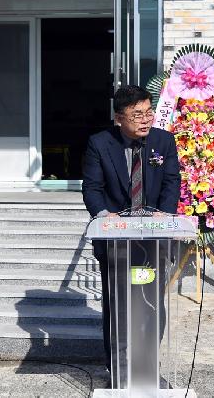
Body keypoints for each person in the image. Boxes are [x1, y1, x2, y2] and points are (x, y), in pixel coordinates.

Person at [81, 85, 181, 381]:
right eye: (137, 114)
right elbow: (92, 188)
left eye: (149, 112)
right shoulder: (100, 144)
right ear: (118, 118)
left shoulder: (163, 142)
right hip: (117, 244)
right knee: (118, 306)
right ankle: (119, 369)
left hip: (153, 243)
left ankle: (148, 367)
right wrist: (103, 216)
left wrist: (165, 214)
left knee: (151, 303)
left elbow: (171, 182)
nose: (145, 119)